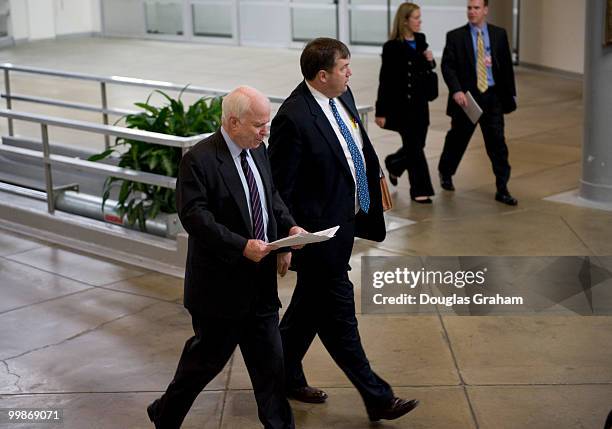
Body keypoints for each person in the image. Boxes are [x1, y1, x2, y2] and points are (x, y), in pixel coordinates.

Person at [268, 37, 419, 422]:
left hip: (348, 221)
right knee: (340, 320)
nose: (350, 73)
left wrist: (373, 180)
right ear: (322, 76)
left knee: (306, 312)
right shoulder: (294, 117)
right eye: (344, 67)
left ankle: (282, 374)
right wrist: (286, 241)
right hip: (319, 237)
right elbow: (279, 188)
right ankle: (377, 396)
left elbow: (358, 145)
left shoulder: (342, 96)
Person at [147, 86, 303, 429]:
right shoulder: (199, 159)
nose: (266, 131)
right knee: (204, 363)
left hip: (260, 287)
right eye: (259, 124)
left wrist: (289, 230)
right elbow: (195, 217)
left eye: (267, 124)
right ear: (233, 122)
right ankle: (166, 413)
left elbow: (269, 197)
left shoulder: (258, 150)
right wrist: (240, 245)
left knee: (272, 370)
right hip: (220, 289)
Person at [437, 0, 518, 205]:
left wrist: (510, 95)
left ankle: (502, 187)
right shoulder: (455, 36)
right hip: (467, 99)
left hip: (492, 97)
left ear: (485, 10)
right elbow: (448, 66)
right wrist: (456, 90)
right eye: (469, 8)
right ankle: (446, 173)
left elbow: (506, 66)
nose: (472, 12)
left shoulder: (499, 34)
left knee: (497, 143)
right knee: (458, 139)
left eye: (476, 8)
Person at [375, 2, 436, 204]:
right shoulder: (391, 47)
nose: (420, 22)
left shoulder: (421, 40)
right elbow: (385, 80)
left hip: (420, 106)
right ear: (405, 20)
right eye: (416, 18)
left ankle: (394, 164)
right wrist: (381, 111)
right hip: (401, 108)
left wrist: (430, 59)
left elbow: (426, 68)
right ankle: (420, 189)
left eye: (420, 17)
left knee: (417, 145)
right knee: (415, 148)